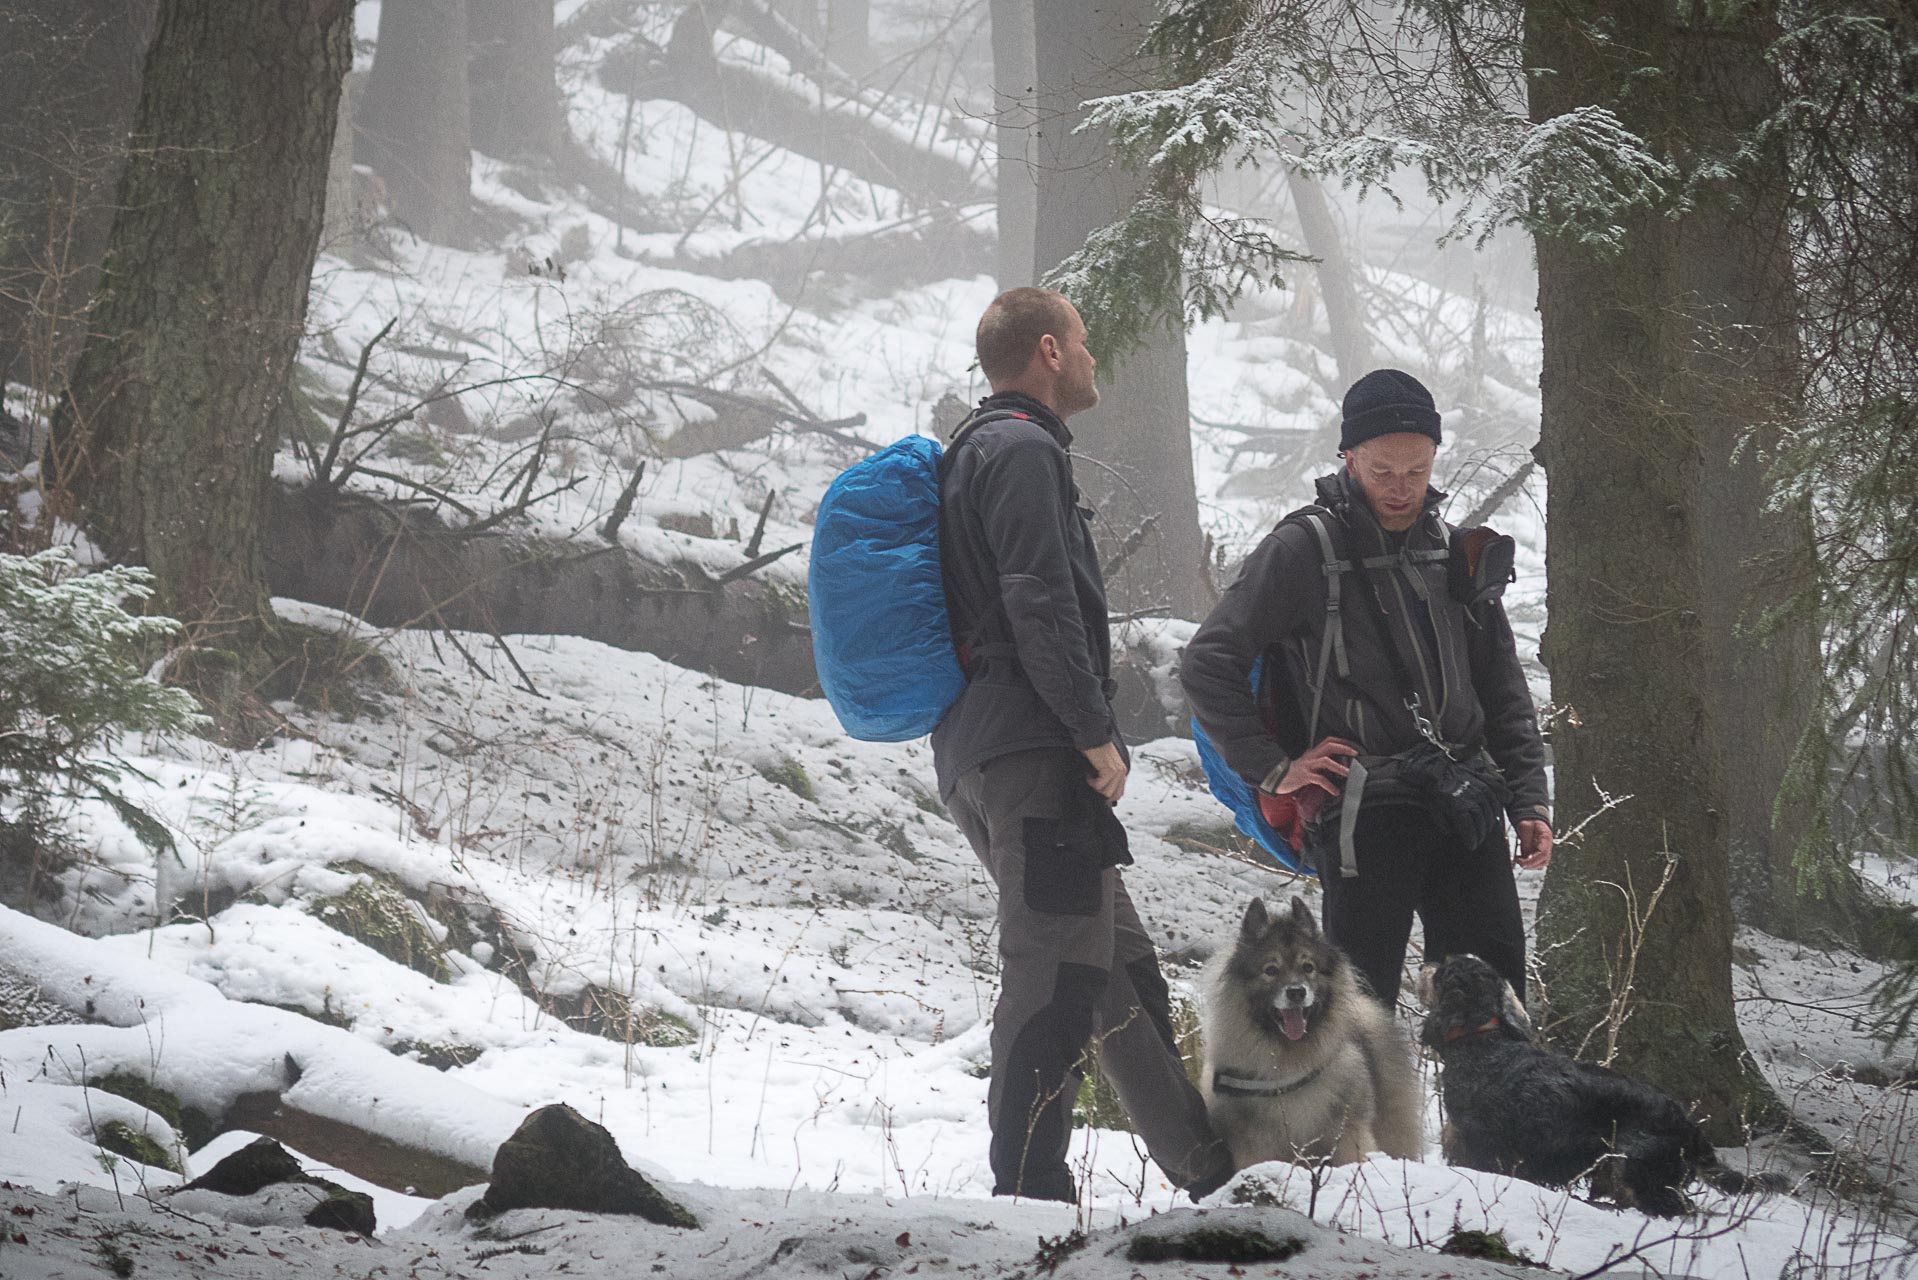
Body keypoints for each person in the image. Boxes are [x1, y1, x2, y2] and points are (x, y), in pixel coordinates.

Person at [934, 287, 1231, 1203]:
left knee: (1114, 970)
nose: (1097, 358)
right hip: (1033, 754)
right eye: (1087, 343)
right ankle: (1027, 1192)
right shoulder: (1021, 450)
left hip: (986, 750)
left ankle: (1209, 1171)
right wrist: (1093, 732)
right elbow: (1037, 599)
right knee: (1053, 977)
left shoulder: (977, 449)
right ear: (1050, 352)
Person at [1182, 368, 1553, 1008]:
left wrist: (1529, 799)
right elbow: (1208, 661)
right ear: (1348, 457)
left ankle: (1485, 1113)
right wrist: (1275, 770)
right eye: (1382, 471)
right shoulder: (1303, 549)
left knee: (1494, 1015)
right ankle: (1361, 1115)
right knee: (1358, 1021)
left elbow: (1501, 683)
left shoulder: (1454, 551)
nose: (1401, 489)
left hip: (1466, 800)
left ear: (1435, 457)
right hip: (1365, 810)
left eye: (1416, 471)